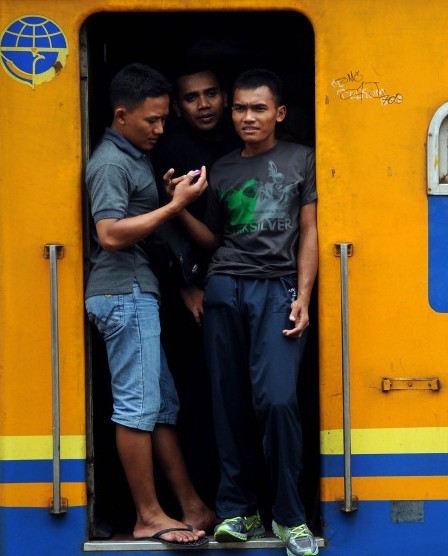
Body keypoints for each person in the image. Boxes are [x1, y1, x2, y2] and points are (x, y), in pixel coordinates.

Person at [172, 68, 319, 556]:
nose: (247, 117)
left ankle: (290, 515)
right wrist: (178, 207)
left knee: (277, 401)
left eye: (258, 108)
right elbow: (216, 241)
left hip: (276, 289)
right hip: (224, 289)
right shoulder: (223, 168)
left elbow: (310, 232)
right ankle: (237, 509)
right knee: (227, 403)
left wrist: (303, 295)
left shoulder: (302, 159)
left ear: (279, 113)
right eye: (239, 108)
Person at [84, 62, 214, 547]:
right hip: (122, 293)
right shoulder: (111, 162)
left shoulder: (134, 153)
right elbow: (110, 233)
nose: (161, 129)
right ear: (121, 115)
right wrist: (174, 206)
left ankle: (192, 506)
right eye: (151, 120)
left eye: (164, 119)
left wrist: (163, 197)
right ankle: (147, 515)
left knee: (161, 407)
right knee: (138, 407)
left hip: (140, 291)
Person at [148, 65, 241, 509]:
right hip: (187, 294)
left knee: (236, 396)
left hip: (234, 283)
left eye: (210, 94)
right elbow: (160, 227)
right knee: (196, 397)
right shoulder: (169, 150)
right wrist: (185, 286)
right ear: (178, 109)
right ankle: (202, 498)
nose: (203, 104)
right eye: (191, 98)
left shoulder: (240, 140)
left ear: (225, 96)